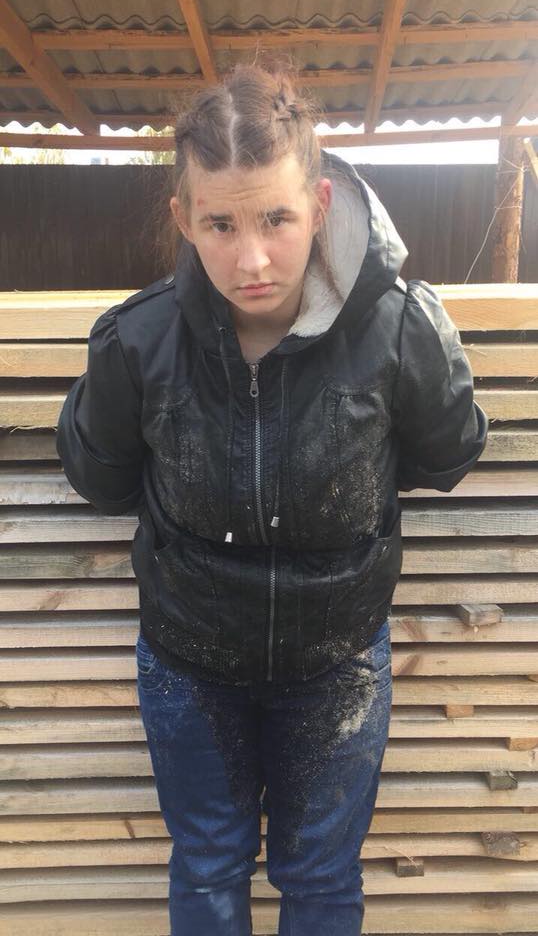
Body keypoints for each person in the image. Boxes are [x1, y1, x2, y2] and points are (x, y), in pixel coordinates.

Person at [56, 62, 488, 936]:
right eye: (220, 224)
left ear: (319, 206)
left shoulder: (397, 327)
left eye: (276, 219)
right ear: (185, 219)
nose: (250, 259)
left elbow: (447, 454)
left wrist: (424, 345)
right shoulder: (139, 340)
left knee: (320, 876)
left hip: (337, 661)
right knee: (208, 864)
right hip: (188, 662)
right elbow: (100, 476)